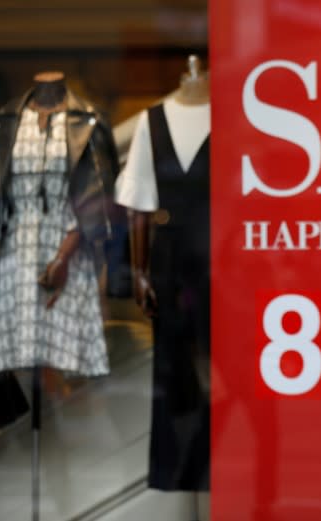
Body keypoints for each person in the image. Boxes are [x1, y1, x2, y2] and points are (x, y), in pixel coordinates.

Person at [0, 71, 118, 377]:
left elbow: (97, 200)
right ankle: (29, 426)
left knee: (63, 364)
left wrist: (64, 256)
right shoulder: (4, 122)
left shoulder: (89, 120)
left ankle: (61, 424)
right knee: (19, 365)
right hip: (16, 249)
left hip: (69, 245)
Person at [114, 54, 210, 512]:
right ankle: (178, 476)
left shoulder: (232, 116)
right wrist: (139, 270)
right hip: (170, 257)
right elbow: (137, 204)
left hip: (220, 257)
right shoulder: (153, 121)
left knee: (219, 368)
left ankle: (222, 472)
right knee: (172, 368)